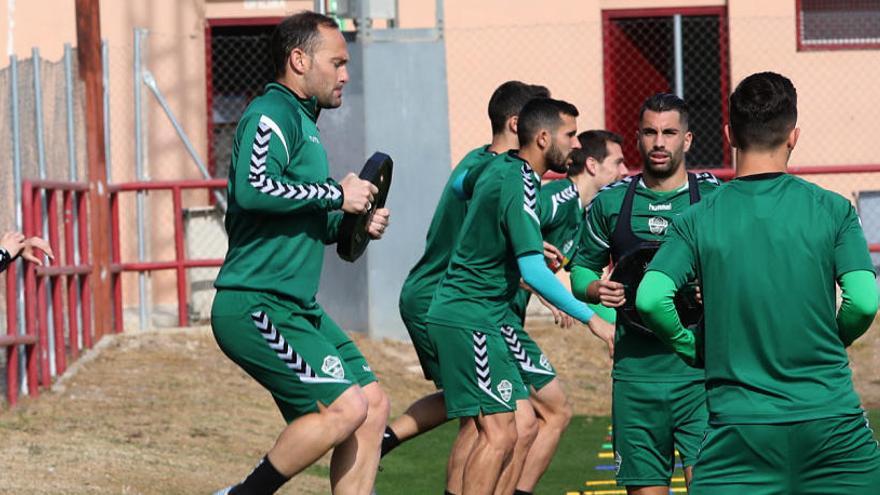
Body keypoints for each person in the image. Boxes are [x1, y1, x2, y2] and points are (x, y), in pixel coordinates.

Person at [636, 71, 880, 494]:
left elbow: (651, 298)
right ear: (794, 136)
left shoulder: (697, 218)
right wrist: (831, 338)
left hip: (738, 433)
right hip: (832, 426)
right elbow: (863, 301)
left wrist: (692, 346)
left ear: (729, 134)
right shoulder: (833, 209)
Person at [211, 12, 391, 495]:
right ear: (298, 59)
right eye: (337, 62)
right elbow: (253, 190)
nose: (346, 75)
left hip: (295, 307)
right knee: (345, 408)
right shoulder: (271, 114)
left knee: (371, 405)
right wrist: (336, 194)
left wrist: (354, 223)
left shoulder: (304, 125)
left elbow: (309, 215)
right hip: (254, 304)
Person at [426, 97, 615, 495]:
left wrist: (511, 236)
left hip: (485, 318)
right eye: (570, 135)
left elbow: (462, 185)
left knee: (513, 428)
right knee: (497, 433)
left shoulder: (503, 167)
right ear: (544, 138)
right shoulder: (519, 181)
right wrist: (593, 320)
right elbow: (532, 272)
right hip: (470, 317)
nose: (576, 145)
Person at [386, 80, 549, 495]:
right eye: (538, 123)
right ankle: (381, 440)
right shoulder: (499, 170)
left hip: (446, 298)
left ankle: (382, 439)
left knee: (488, 420)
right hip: (446, 300)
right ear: (518, 124)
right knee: (494, 424)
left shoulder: (480, 164)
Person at [570, 94, 719, 494]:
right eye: (650, 132)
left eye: (669, 132)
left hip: (700, 375)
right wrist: (595, 287)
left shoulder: (714, 199)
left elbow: (744, 268)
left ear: (687, 140)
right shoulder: (613, 202)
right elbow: (581, 268)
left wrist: (717, 286)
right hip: (636, 379)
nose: (659, 142)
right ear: (637, 138)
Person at [500, 130, 626, 495]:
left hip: (508, 317)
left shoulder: (584, 213)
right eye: (617, 162)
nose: (624, 170)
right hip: (495, 317)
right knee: (549, 413)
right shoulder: (557, 198)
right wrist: (543, 289)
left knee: (519, 423)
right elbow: (506, 240)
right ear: (592, 165)